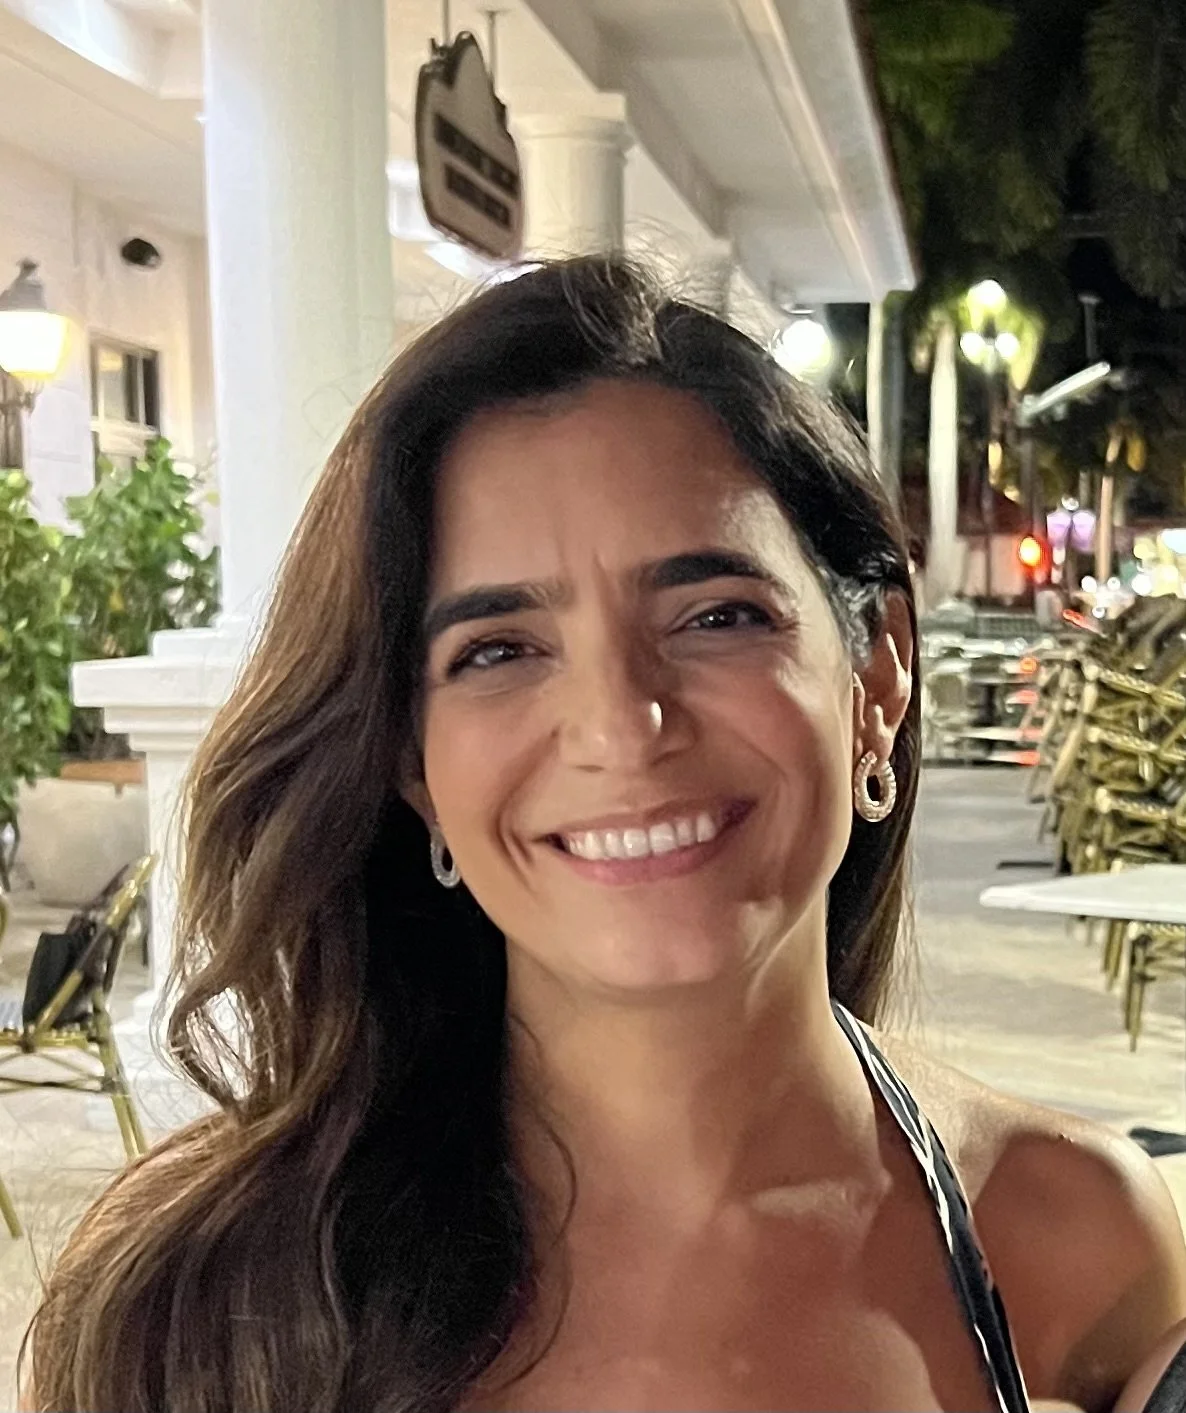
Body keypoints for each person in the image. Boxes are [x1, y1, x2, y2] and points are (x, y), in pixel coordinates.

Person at [22, 258, 1186, 1412]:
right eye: (497, 650)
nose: (624, 729)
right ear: (412, 766)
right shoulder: (201, 1304)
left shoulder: (1075, 1242)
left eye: (715, 617)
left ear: (875, 674)